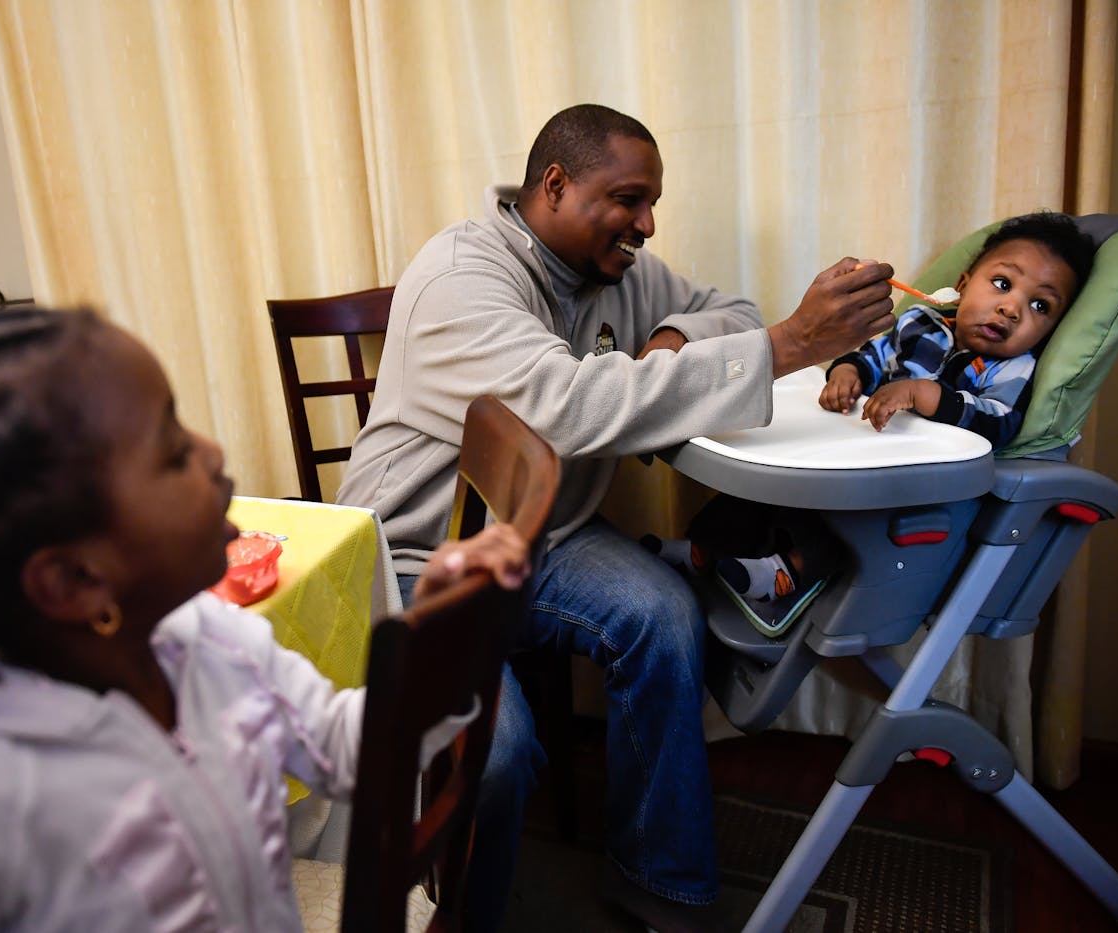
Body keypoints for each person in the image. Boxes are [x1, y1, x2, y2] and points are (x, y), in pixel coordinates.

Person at [0, 308, 530, 931]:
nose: (213, 450)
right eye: (171, 451)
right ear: (73, 579)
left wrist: (440, 633)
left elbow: (340, 747)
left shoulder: (205, 638)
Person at [335, 103, 896, 931]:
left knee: (665, 615)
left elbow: (732, 309)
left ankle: (659, 884)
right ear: (555, 185)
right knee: (501, 755)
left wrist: (670, 334)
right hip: (419, 553)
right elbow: (566, 406)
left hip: (544, 538)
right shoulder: (461, 277)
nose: (648, 223)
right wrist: (787, 346)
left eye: (652, 201)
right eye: (630, 199)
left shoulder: (617, 271)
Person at [684, 211, 1096, 634]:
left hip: (909, 485)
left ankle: (788, 573)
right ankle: (704, 548)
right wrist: (847, 374)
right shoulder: (920, 325)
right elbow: (872, 355)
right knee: (765, 483)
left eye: (1039, 306)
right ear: (962, 285)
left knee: (843, 516)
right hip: (861, 448)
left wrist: (925, 395)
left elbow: (1000, 421)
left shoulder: (1011, 370)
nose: (1011, 308)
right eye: (1003, 284)